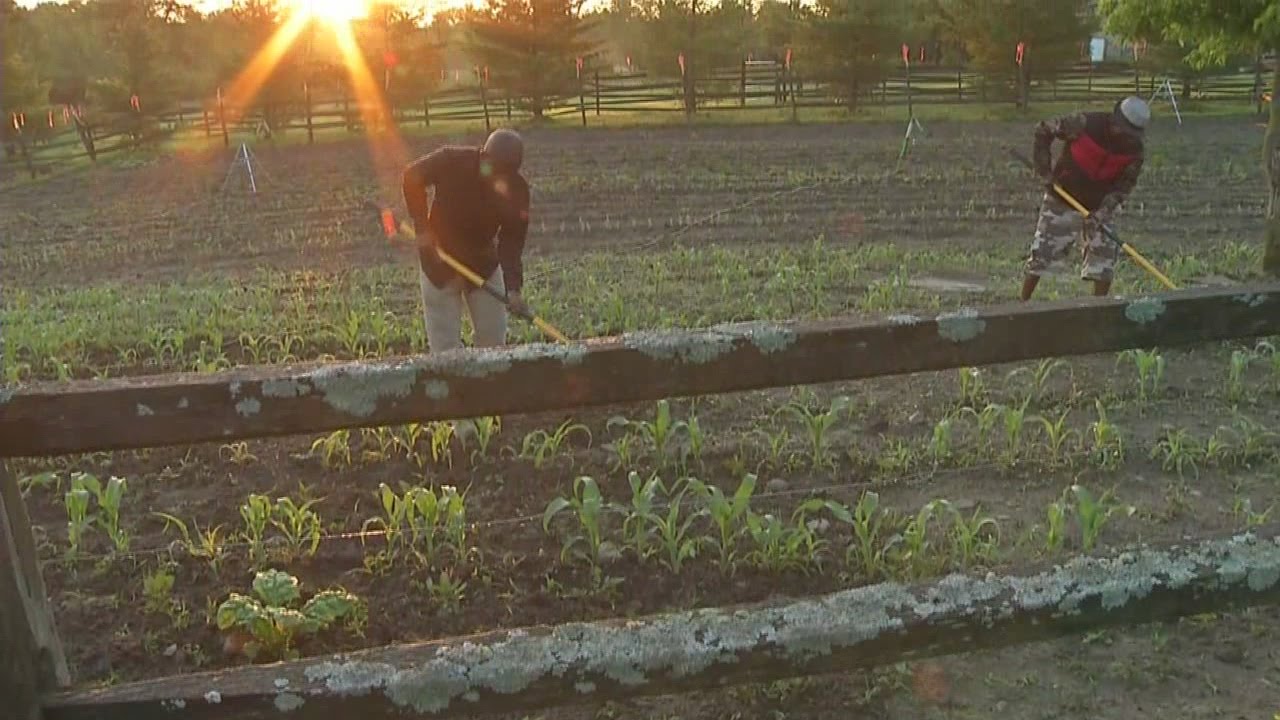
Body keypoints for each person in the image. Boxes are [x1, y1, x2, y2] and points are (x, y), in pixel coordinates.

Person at [401, 128, 531, 352]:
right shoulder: (451, 161)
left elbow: (512, 241)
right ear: (483, 155)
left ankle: (488, 375)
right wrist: (422, 228)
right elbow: (411, 177)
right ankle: (450, 374)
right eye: (491, 167)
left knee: (494, 345)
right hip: (438, 261)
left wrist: (513, 289)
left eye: (505, 174)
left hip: (482, 264)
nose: (495, 176)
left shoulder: (516, 190)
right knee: (445, 351)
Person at [1020, 96, 1149, 301]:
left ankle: (1097, 308)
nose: (1124, 134)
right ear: (1115, 119)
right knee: (1042, 255)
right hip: (1062, 197)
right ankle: (1023, 304)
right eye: (1122, 128)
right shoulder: (1084, 123)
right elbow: (1044, 129)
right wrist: (1044, 170)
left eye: (1130, 132)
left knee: (1105, 260)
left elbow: (1123, 187)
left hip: (1098, 206)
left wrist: (1103, 212)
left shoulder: (1134, 151)